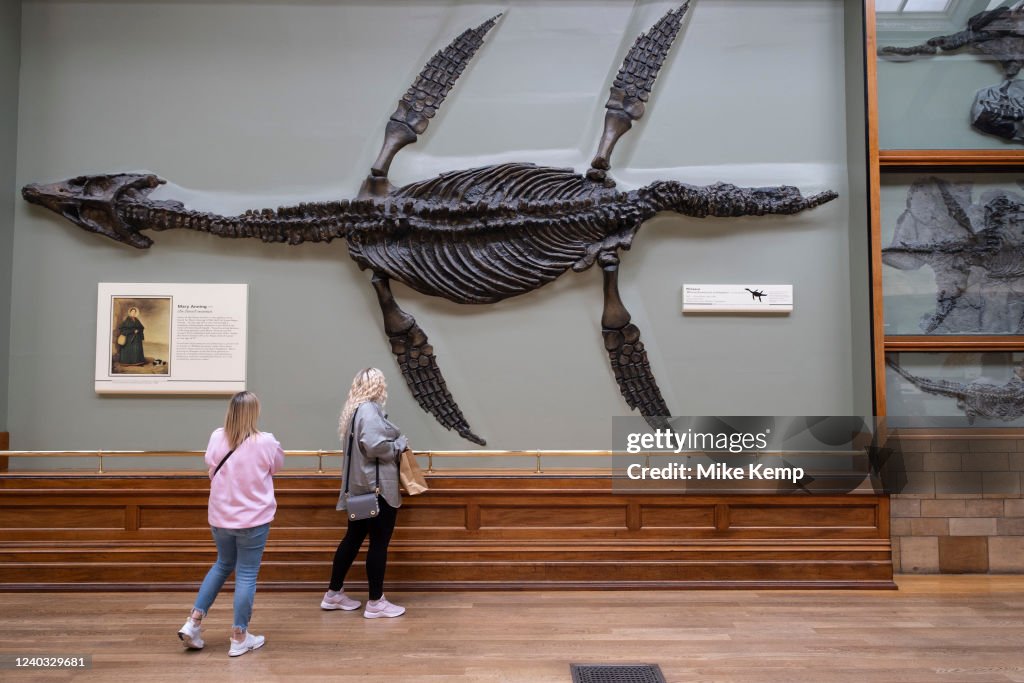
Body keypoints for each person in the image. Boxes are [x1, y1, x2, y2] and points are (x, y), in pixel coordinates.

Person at [177, 391, 285, 656]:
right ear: (254, 413)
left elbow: (210, 464)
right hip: (253, 520)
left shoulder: (216, 436)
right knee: (246, 574)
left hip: (220, 518)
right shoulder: (266, 442)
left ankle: (193, 622)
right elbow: (277, 467)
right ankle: (239, 636)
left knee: (222, 564)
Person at [321, 368, 408, 618]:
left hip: (360, 489)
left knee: (353, 539)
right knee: (378, 543)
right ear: (376, 386)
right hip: (377, 489)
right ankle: (376, 602)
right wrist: (399, 445)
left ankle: (333, 594)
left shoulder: (354, 411)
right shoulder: (369, 410)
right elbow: (374, 446)